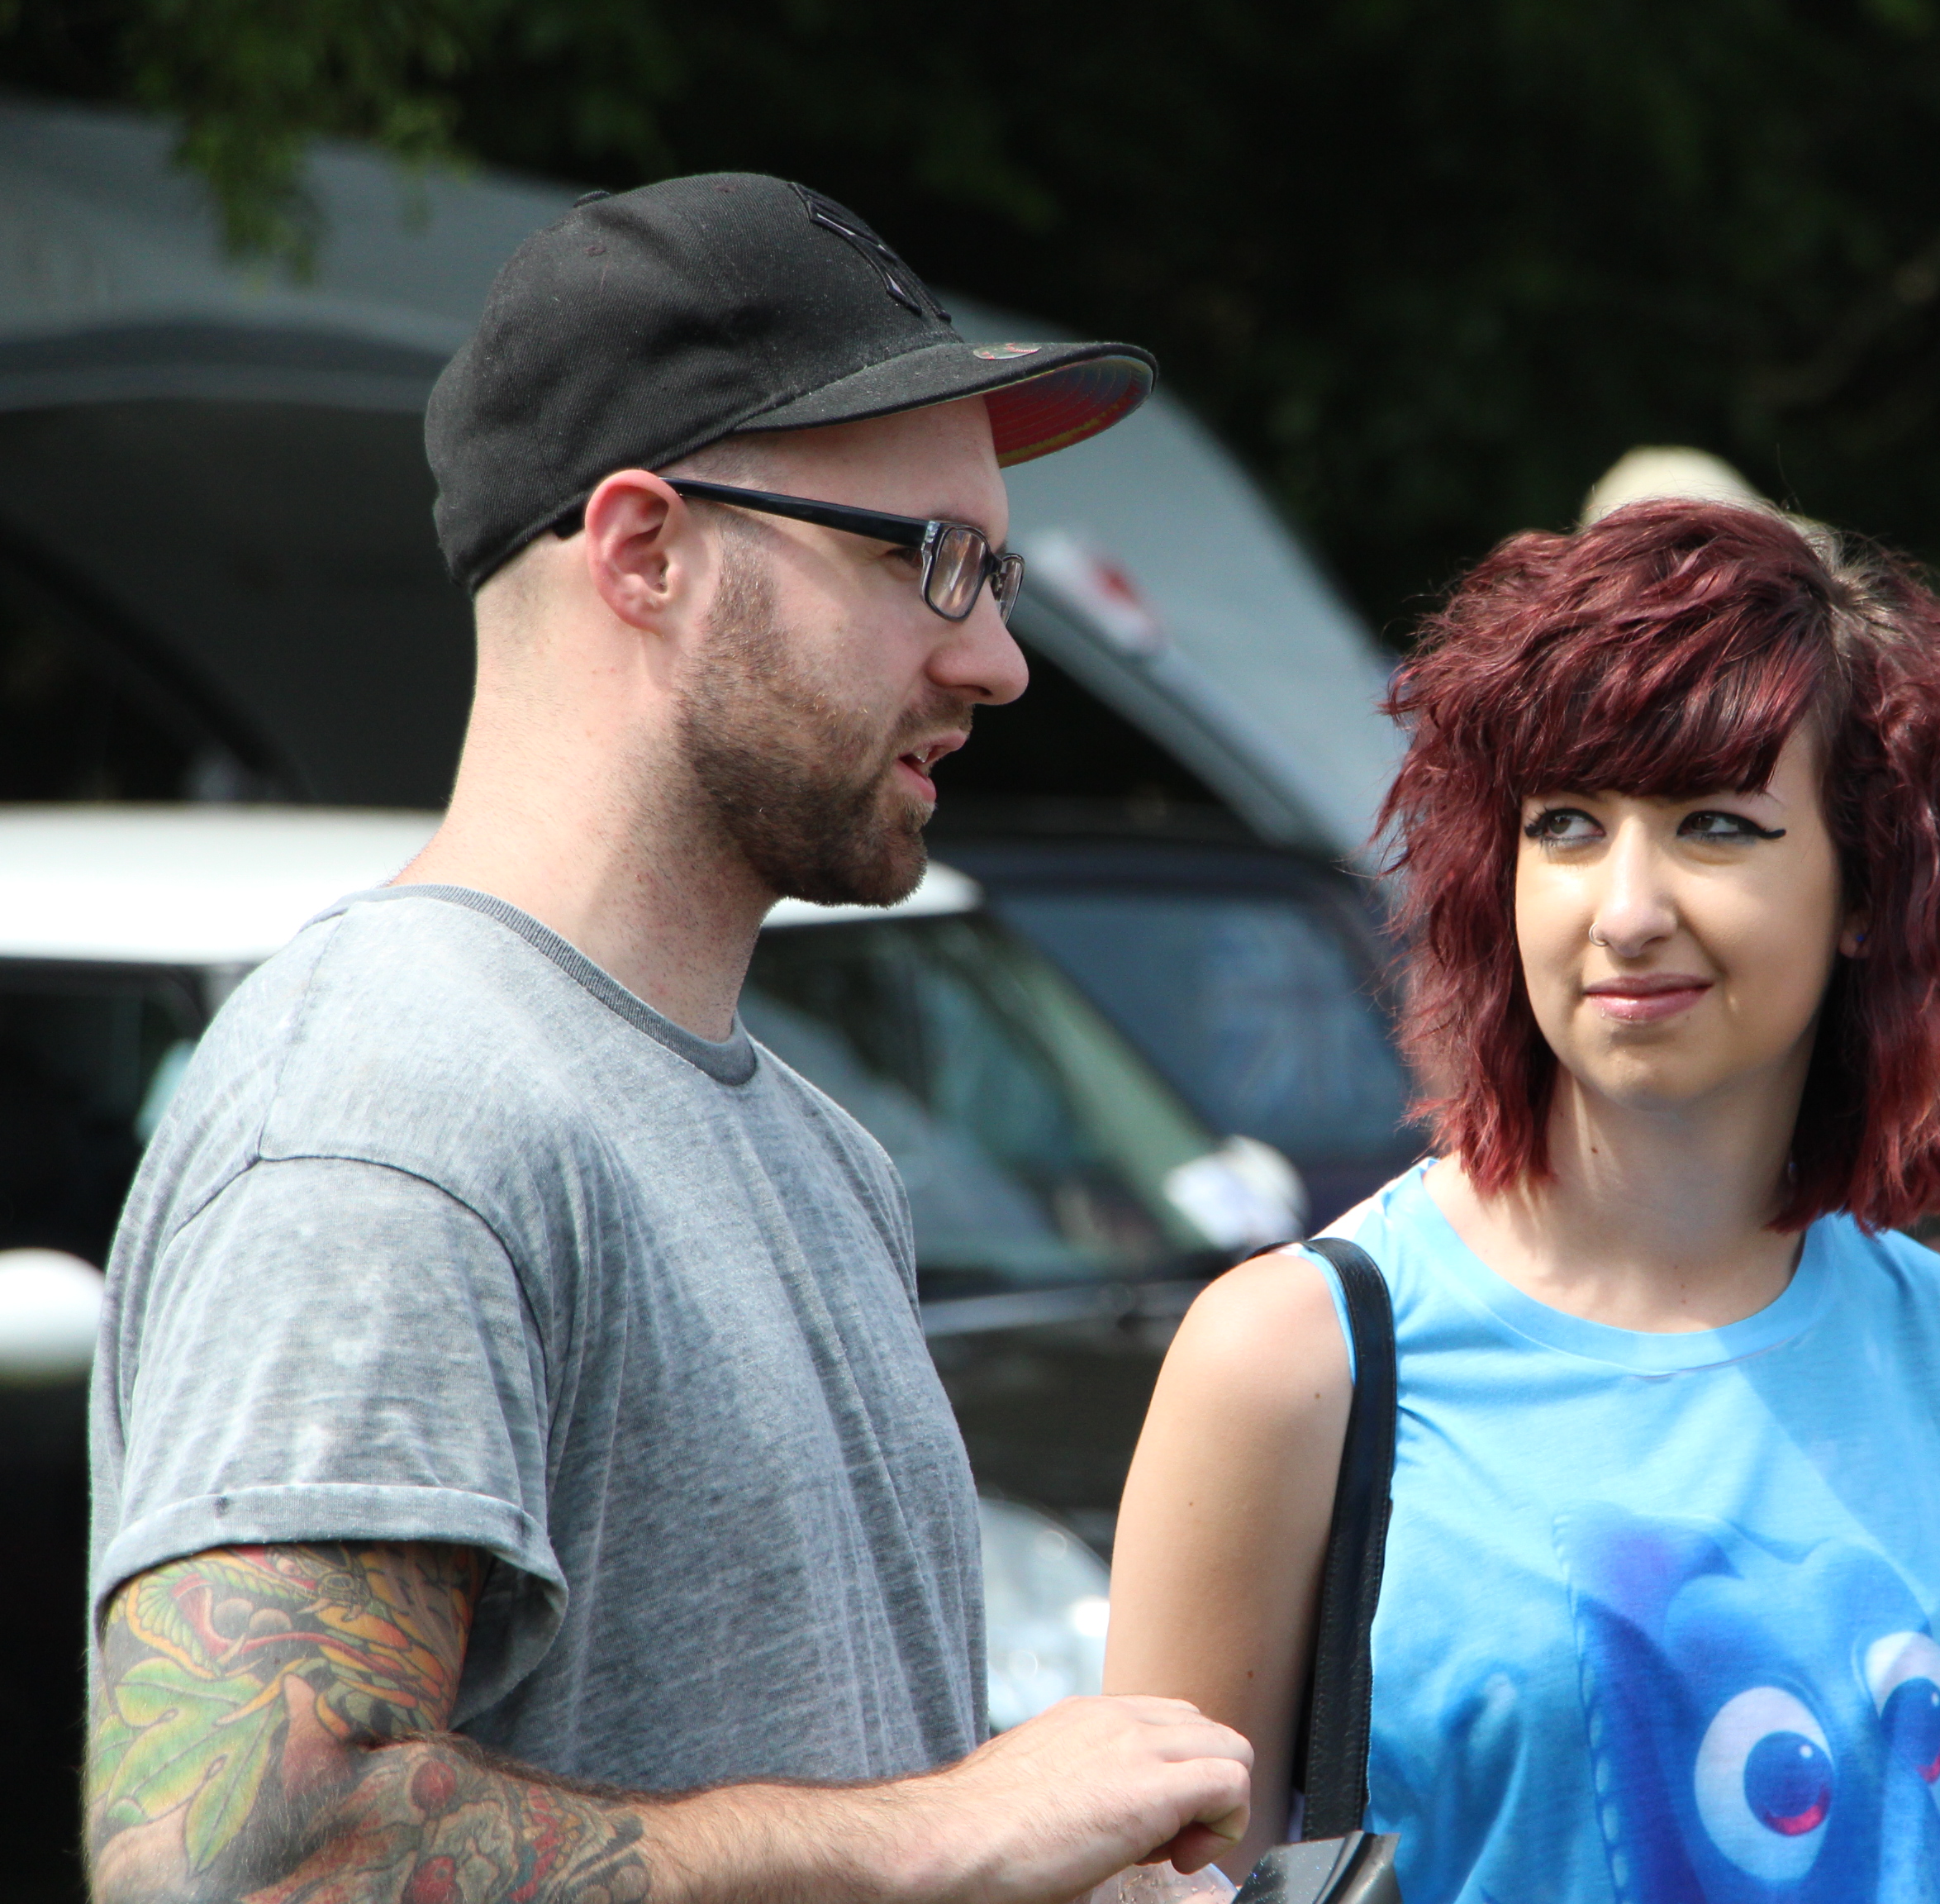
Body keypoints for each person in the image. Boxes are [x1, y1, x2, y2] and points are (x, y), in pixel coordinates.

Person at [83, 175, 1250, 1904]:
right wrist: (936, 1839)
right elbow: (232, 1867)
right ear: (645, 552)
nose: (999, 660)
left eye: (996, 574)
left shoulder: (817, 1152)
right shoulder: (387, 1117)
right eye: (929, 562)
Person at [1106, 497, 1940, 1902]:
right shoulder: (1294, 1359)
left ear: (1871, 886)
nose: (1624, 910)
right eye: (1565, 824)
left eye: (1715, 827)